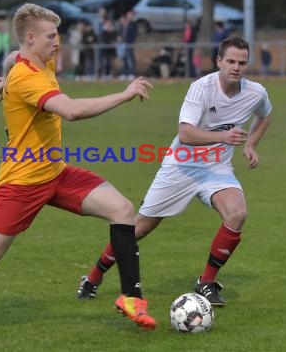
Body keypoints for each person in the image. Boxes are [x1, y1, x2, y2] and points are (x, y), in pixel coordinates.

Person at [0, 2, 157, 337]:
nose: (57, 42)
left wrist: (3, 81)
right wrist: (124, 95)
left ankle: (132, 298)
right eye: (51, 36)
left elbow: (11, 56)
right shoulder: (28, 78)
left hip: (56, 173)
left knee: (122, 209)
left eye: (58, 35)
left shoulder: (35, 60)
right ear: (31, 37)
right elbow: (71, 111)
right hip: (21, 183)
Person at [78, 36, 272, 307]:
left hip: (216, 168)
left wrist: (250, 144)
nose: (236, 67)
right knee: (138, 228)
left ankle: (205, 283)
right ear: (219, 61)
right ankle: (93, 278)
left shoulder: (255, 92)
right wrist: (224, 137)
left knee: (237, 213)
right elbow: (186, 133)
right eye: (230, 61)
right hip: (180, 166)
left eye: (242, 62)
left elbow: (265, 115)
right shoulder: (201, 88)